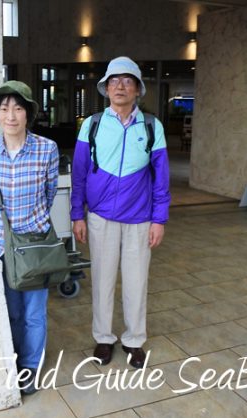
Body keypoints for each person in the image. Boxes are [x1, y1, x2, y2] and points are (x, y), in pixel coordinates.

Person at [71, 57, 171, 369]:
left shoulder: (152, 126)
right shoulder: (92, 124)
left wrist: (159, 219)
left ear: (137, 89)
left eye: (128, 81)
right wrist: (77, 214)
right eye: (114, 80)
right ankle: (103, 338)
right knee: (102, 280)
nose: (120, 86)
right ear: (106, 88)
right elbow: (79, 173)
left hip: (140, 219)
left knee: (136, 282)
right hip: (100, 216)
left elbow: (161, 178)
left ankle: (134, 340)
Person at [0, 80, 59, 394]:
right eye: (4, 108)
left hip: (34, 245)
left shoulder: (46, 150)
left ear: (28, 114)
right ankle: (11, 361)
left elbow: (49, 194)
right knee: (10, 310)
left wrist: (31, 224)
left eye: (18, 108)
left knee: (33, 312)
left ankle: (30, 367)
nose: (11, 115)